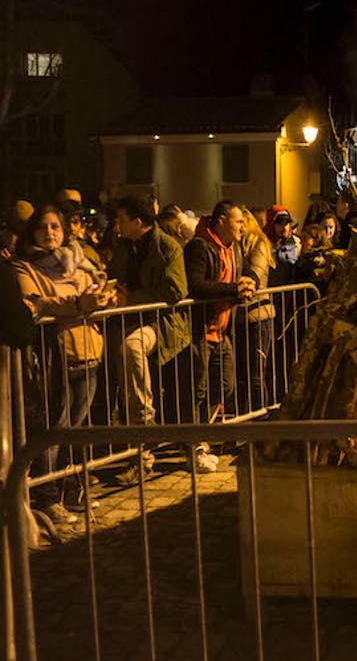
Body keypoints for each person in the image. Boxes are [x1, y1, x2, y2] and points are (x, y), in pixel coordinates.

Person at [13, 205, 113, 523]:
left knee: (74, 429)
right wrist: (78, 303)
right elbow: (33, 304)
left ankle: (70, 490)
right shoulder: (23, 266)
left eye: (56, 226)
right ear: (32, 231)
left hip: (88, 349)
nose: (50, 232)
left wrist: (104, 297)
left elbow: (93, 287)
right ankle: (46, 497)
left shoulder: (73, 261)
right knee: (53, 430)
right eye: (43, 227)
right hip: (55, 356)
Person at [108, 195, 191, 431]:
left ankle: (145, 422)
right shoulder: (123, 247)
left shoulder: (168, 246)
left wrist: (131, 298)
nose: (117, 224)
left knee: (131, 348)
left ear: (137, 221)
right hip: (124, 319)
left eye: (121, 219)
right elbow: (113, 275)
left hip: (159, 322)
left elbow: (176, 290)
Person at [185, 201, 256, 471]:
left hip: (223, 330)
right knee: (198, 390)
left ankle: (205, 436)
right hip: (201, 331)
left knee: (225, 385)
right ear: (222, 221)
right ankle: (194, 446)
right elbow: (197, 285)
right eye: (239, 222)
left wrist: (250, 284)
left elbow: (243, 277)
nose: (243, 227)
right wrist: (233, 290)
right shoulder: (199, 247)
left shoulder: (234, 248)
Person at [235, 206, 276, 412]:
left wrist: (239, 285)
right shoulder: (236, 248)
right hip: (241, 316)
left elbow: (255, 278)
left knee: (255, 374)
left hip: (257, 315)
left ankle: (259, 420)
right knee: (243, 375)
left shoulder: (258, 245)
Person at [264, 205, 300, 287]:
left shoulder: (296, 243)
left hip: (290, 291)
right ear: (272, 225)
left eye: (286, 223)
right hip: (271, 290)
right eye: (280, 224)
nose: (284, 228)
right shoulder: (264, 244)